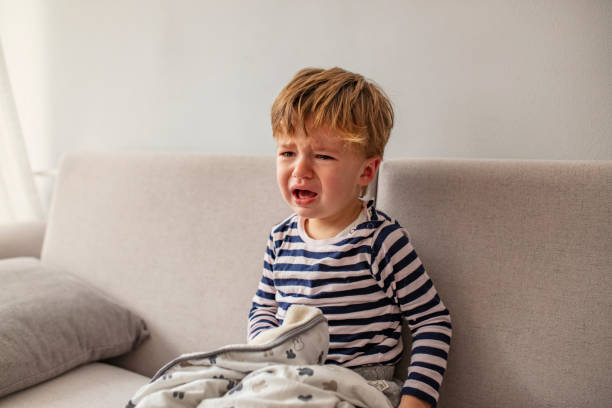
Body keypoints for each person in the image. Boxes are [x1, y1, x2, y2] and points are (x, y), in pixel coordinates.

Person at [247, 67, 451, 408]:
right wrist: (265, 355)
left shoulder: (381, 241)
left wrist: (417, 400)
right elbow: (264, 307)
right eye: (287, 152)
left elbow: (432, 320)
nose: (300, 169)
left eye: (323, 156)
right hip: (288, 381)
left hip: (359, 388)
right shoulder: (280, 239)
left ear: (366, 172)